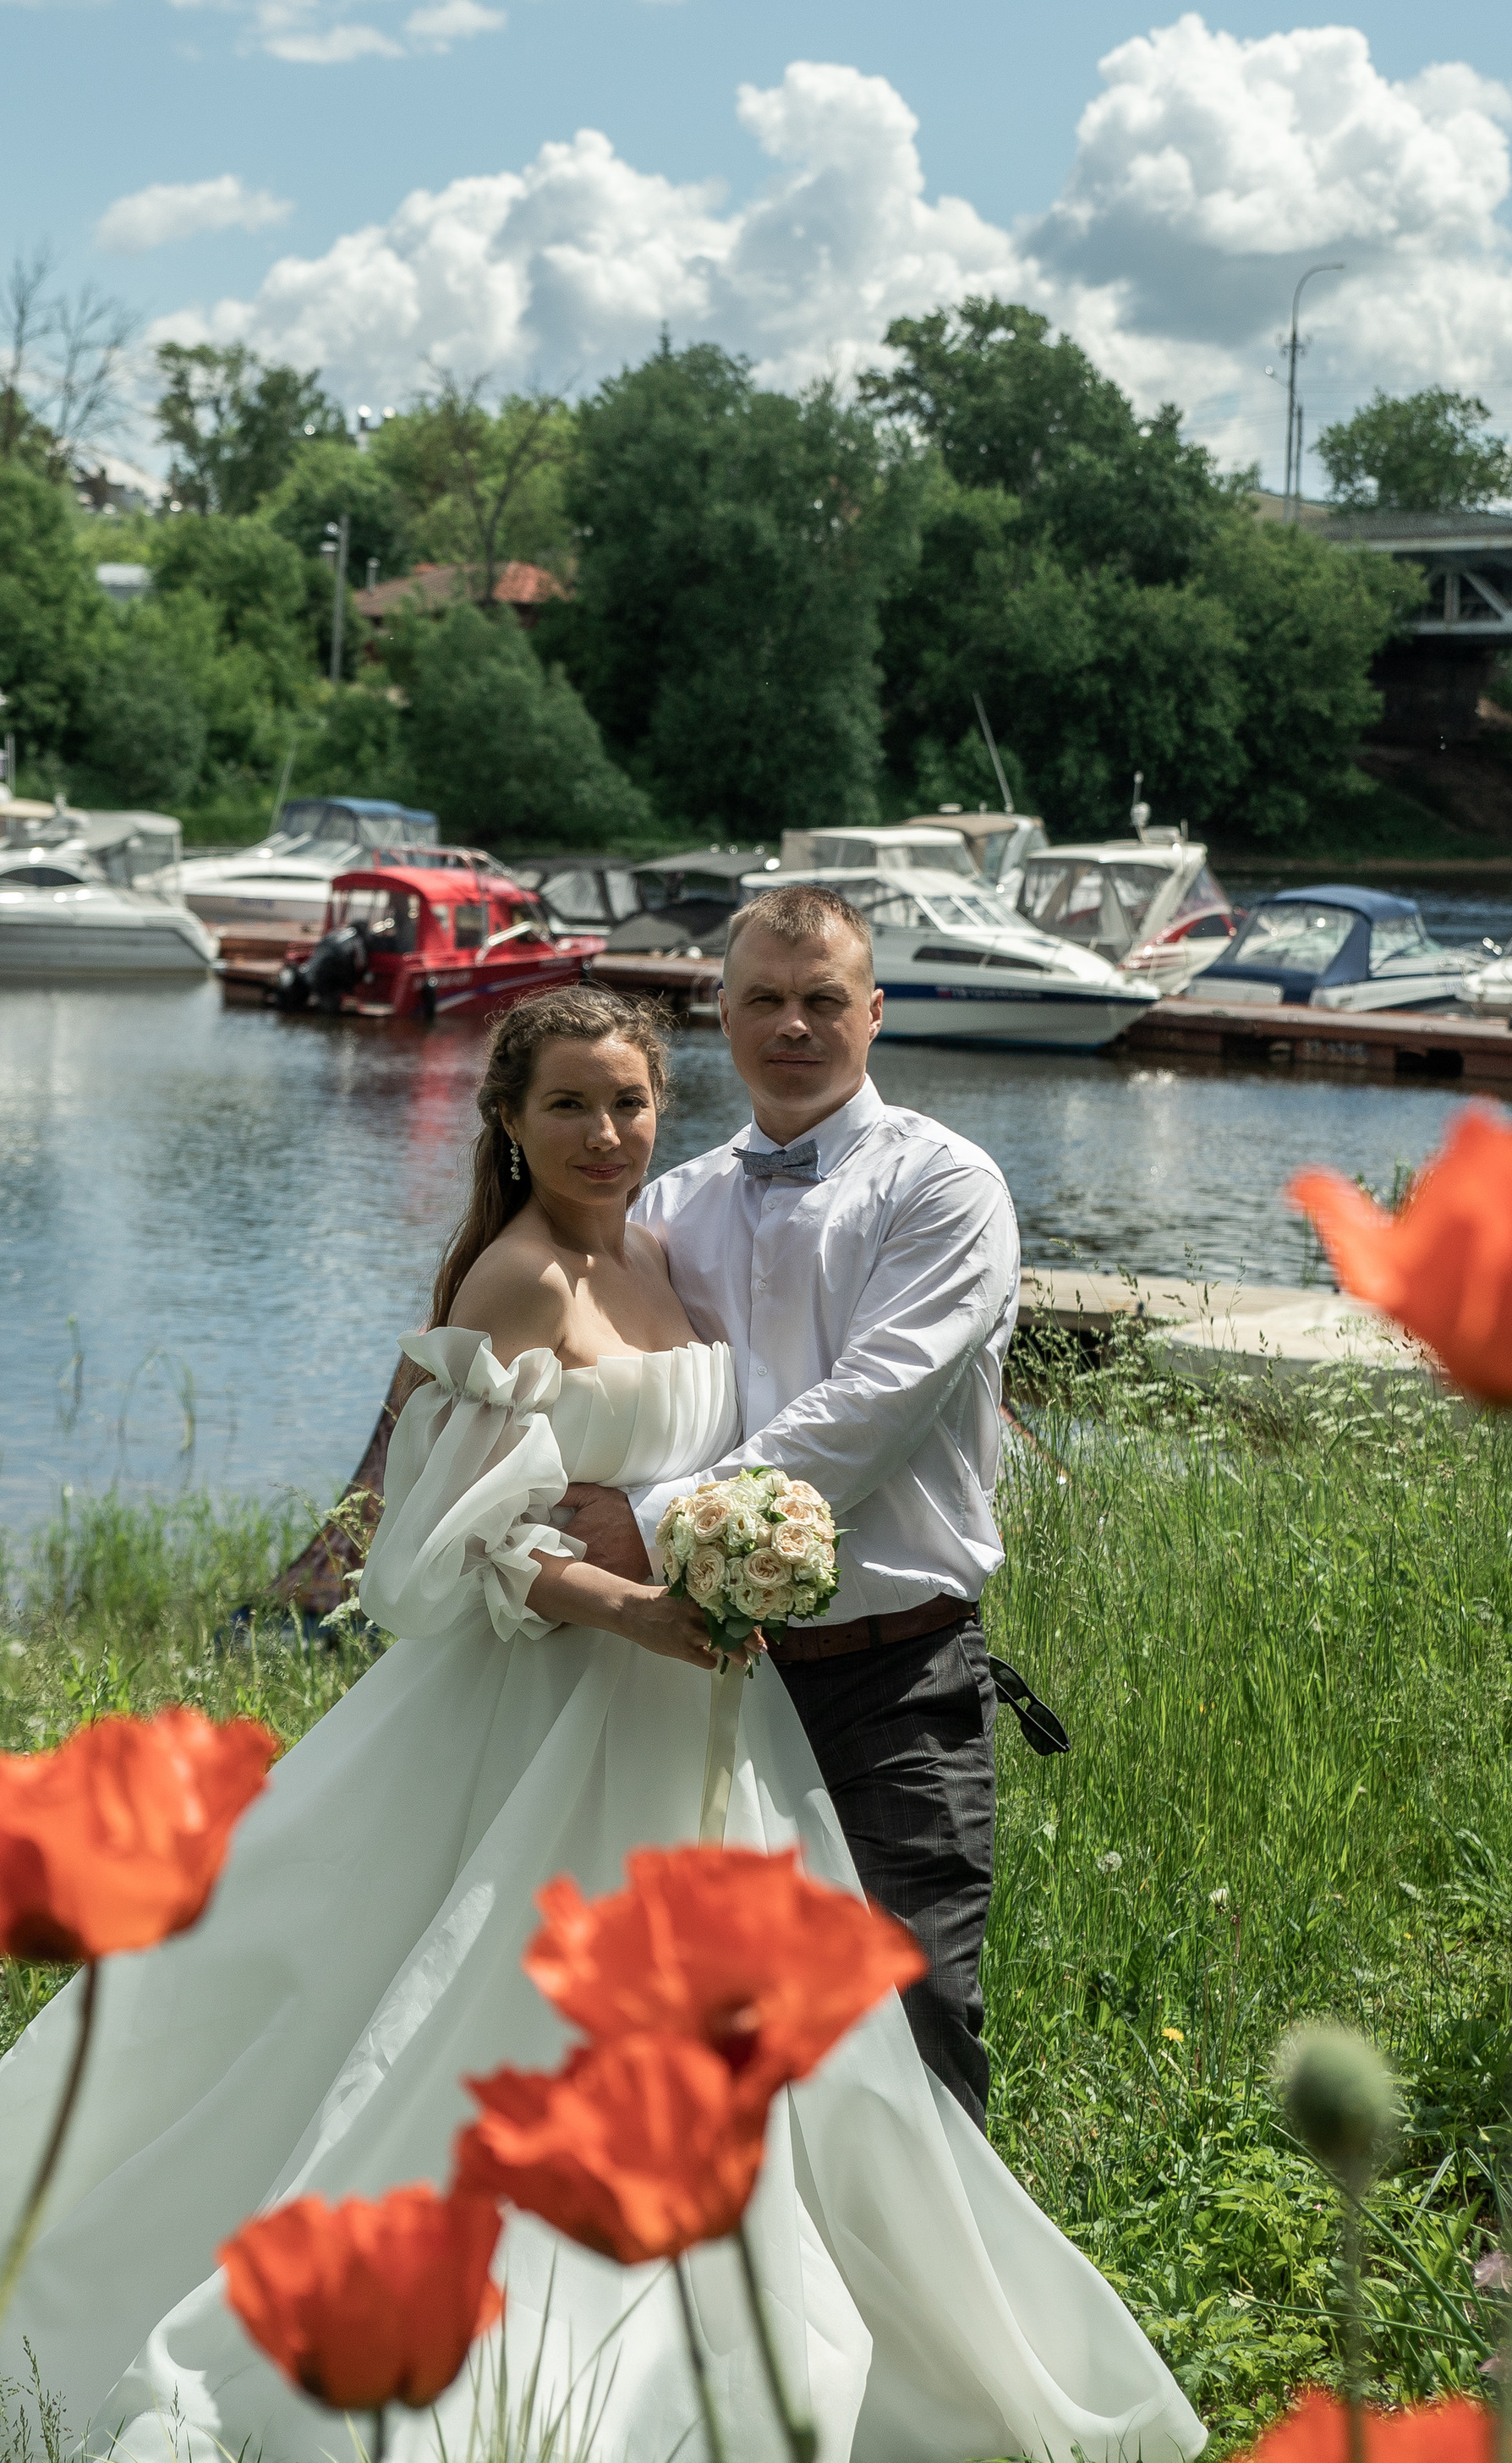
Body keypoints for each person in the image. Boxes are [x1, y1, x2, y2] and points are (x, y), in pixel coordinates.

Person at [0, 985, 1200, 2463]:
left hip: (702, 1731)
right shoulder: (521, 1281)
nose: (606, 1131)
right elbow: (440, 1545)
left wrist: (723, 1568)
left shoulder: (673, 1244)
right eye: (569, 1106)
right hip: (552, 1709)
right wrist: (646, 1610)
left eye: (628, 1101)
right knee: (477, 2019)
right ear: (507, 1123)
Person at [562, 882, 1019, 2126]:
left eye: (824, 1001)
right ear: (720, 1015)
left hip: (894, 1688)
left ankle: (942, 2316)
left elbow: (875, 1407)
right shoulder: (665, 1209)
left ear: (875, 1015)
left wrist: (650, 1525)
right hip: (704, 1682)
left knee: (914, 2036)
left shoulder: (948, 1186)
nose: (795, 1025)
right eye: (764, 998)